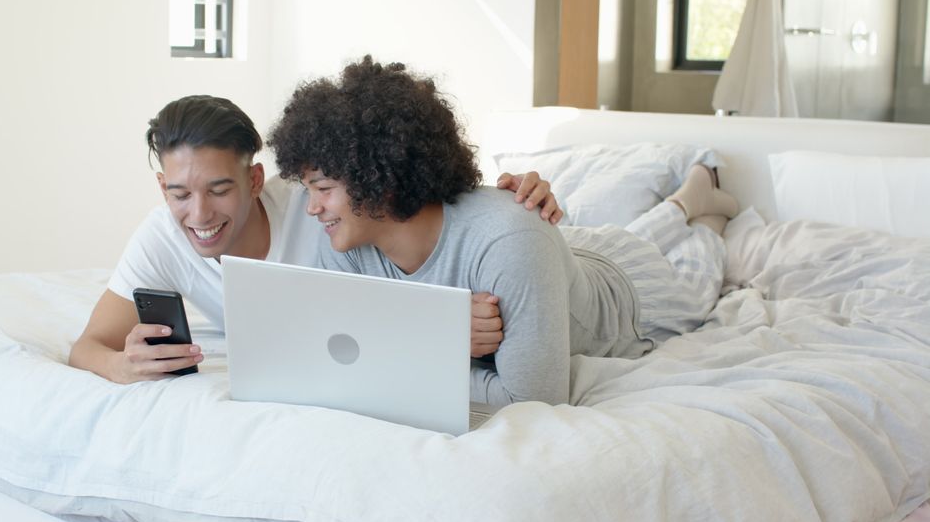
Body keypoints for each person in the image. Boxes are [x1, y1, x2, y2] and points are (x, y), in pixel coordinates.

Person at [267, 56, 740, 408]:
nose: (312, 208)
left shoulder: (508, 241)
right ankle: (686, 200)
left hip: (633, 298)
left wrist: (403, 354)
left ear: (381, 177)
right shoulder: (346, 241)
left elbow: (527, 401)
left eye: (323, 188)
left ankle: (704, 205)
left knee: (702, 261)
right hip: (561, 261)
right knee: (622, 232)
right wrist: (437, 334)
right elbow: (340, 348)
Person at [68, 95, 565, 383]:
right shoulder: (162, 236)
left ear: (256, 180)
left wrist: (502, 204)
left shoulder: (329, 215)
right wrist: (122, 365)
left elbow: (422, 222)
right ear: (163, 189)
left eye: (219, 190)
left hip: (546, 261)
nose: (198, 214)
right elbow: (88, 347)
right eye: (179, 194)